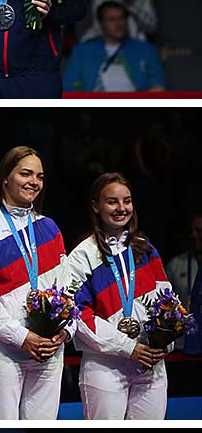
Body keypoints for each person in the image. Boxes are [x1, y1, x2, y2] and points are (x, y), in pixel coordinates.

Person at [0, 145, 75, 420]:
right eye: (26, 173)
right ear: (5, 177)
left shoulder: (50, 228)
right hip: (5, 352)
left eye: (39, 176)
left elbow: (68, 289)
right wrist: (21, 336)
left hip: (49, 350)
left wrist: (65, 332)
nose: (34, 182)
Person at [68, 171, 173, 419]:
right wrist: (127, 347)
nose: (121, 208)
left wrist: (163, 342)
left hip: (150, 361)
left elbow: (166, 300)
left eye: (126, 201)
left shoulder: (146, 249)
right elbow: (79, 315)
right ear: (96, 206)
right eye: (112, 201)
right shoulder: (84, 254)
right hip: (106, 366)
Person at [62, 1, 166, 93]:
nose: (119, 24)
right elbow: (69, 86)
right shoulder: (81, 52)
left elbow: (158, 84)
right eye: (112, 19)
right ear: (100, 24)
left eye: (122, 18)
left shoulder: (146, 50)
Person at [165, 212, 202, 311]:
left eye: (199, 231)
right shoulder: (175, 264)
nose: (193, 235)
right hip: (185, 324)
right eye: (191, 231)